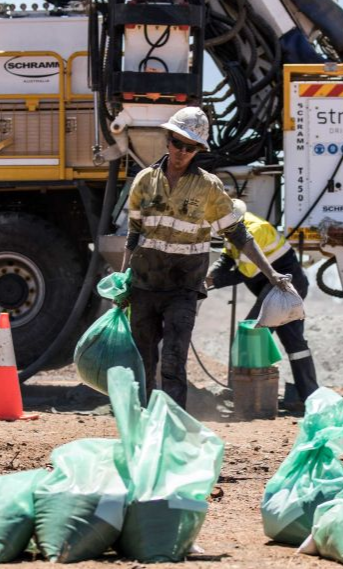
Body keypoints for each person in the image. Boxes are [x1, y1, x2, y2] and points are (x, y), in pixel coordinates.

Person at [121, 107, 289, 409]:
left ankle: (170, 429)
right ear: (167, 140)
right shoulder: (145, 182)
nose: (182, 152)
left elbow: (238, 235)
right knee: (143, 363)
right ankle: (144, 427)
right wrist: (123, 281)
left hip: (183, 289)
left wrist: (271, 274)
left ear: (198, 150)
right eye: (177, 143)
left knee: (173, 362)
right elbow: (133, 235)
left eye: (190, 147)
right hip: (144, 286)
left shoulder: (208, 187)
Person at [206, 201, 319, 406]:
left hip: (284, 287)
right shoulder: (232, 229)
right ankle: (309, 395)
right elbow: (227, 258)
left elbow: (246, 273)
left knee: (252, 333)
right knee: (295, 343)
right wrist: (210, 275)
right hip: (279, 289)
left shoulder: (254, 231)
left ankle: (246, 394)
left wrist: (213, 282)